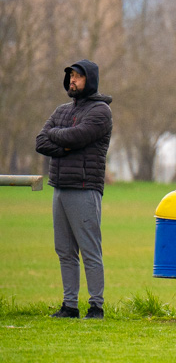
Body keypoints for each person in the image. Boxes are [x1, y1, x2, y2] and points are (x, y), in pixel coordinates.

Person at [36, 60, 112, 320]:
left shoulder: (101, 111)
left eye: (78, 76)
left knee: (90, 249)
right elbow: (41, 141)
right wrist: (66, 142)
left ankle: (96, 306)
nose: (72, 81)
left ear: (89, 80)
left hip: (84, 187)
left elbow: (78, 136)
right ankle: (70, 306)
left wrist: (62, 137)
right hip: (59, 187)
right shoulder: (61, 110)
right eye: (70, 76)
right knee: (65, 251)